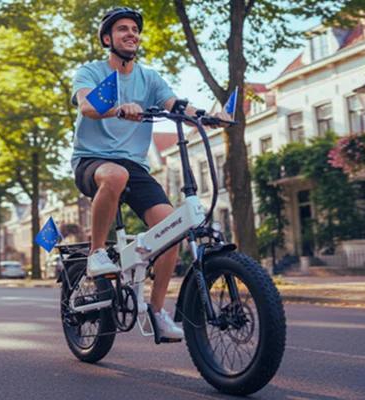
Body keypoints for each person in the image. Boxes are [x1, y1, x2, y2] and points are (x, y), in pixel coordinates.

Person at [71, 7, 229, 340]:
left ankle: (157, 312)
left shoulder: (150, 78)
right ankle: (97, 253)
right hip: (92, 161)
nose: (131, 34)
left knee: (173, 227)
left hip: (135, 167)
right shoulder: (91, 71)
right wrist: (116, 109)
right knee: (114, 176)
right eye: (123, 29)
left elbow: (175, 106)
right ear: (107, 39)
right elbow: (85, 105)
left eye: (135, 30)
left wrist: (208, 116)